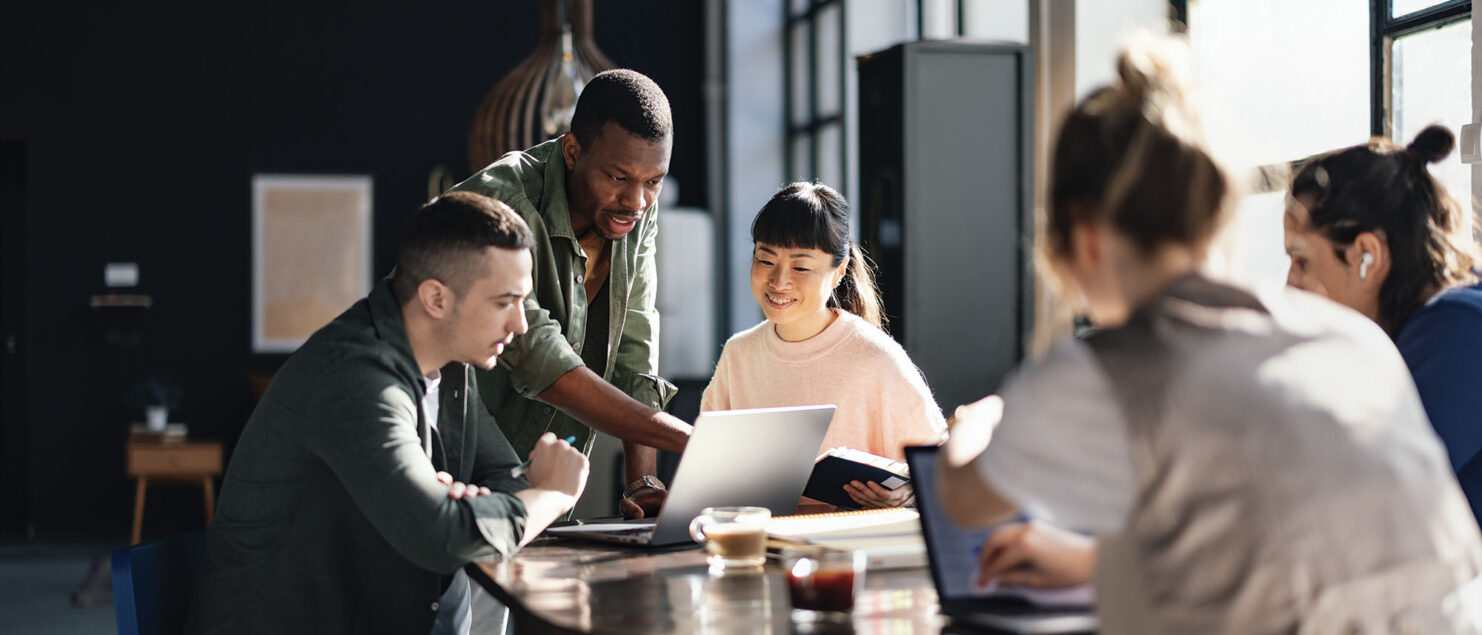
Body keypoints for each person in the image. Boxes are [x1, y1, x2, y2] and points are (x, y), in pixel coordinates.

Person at [936, 39, 1482, 633]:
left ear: (1083, 236)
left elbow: (963, 501)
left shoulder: (1108, 368)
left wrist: (975, 428)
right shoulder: (1354, 340)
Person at [189, 192, 590, 635]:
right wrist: (555, 495)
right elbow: (445, 538)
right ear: (436, 298)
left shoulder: (451, 367)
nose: (520, 325)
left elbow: (504, 476)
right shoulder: (354, 378)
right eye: (503, 302)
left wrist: (471, 506)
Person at [448, 69, 690, 518]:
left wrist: (643, 481)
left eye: (653, 181)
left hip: (537, 490)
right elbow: (541, 357)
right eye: (618, 177)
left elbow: (634, 348)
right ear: (573, 150)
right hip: (444, 467)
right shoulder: (498, 203)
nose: (636, 201)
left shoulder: (633, 212)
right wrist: (695, 444)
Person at [700, 182, 947, 509]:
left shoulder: (876, 358)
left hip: (848, 547)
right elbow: (706, 469)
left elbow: (941, 466)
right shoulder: (738, 354)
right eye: (765, 259)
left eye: (801, 267)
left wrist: (909, 492)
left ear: (838, 272)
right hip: (759, 546)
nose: (779, 281)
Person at [1284, 124, 1482, 522]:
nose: (1289, 286)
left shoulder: (1459, 328)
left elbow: (1351, 506)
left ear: (1366, 256)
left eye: (1302, 260)